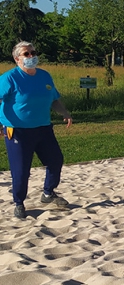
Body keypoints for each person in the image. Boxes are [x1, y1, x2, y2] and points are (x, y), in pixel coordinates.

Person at [1, 41, 73, 219]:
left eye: (33, 52)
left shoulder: (44, 76)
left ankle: (48, 193)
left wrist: (64, 112)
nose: (31, 56)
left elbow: (54, 99)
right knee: (21, 170)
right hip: (17, 130)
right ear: (17, 59)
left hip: (43, 128)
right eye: (26, 54)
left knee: (56, 160)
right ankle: (19, 203)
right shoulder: (9, 78)